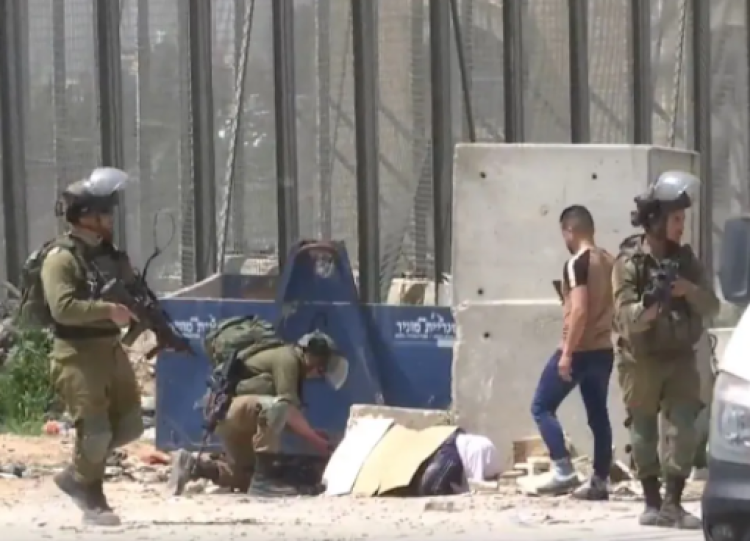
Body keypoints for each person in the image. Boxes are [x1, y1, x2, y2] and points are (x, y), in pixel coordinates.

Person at [30, 168, 144, 526]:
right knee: (95, 433)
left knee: (130, 426)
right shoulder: (60, 258)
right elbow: (62, 308)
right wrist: (108, 311)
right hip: (76, 355)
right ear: (85, 217)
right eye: (103, 213)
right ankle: (89, 494)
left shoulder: (108, 256)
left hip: (110, 350)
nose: (110, 219)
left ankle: (77, 474)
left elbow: (133, 296)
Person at [613, 171, 719, 529]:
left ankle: (673, 502)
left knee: (684, 428)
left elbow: (713, 306)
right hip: (640, 359)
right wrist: (650, 308)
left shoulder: (686, 261)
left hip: (679, 356)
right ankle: (652, 502)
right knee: (643, 429)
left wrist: (687, 290)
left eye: (683, 219)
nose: (681, 226)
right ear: (656, 220)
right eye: (676, 219)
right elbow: (624, 316)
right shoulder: (629, 262)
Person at [168, 331, 349, 497]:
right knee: (277, 407)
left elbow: (282, 417)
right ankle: (264, 482)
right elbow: (286, 408)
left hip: (232, 417)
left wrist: (312, 433)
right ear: (313, 355)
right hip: (233, 410)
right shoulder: (287, 358)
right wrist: (315, 440)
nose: (320, 371)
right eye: (321, 364)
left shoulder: (290, 362)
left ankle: (194, 467)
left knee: (242, 477)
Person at [531, 205, 615, 499]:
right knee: (598, 415)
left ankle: (563, 470)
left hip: (579, 349)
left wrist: (567, 353)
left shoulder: (576, 263)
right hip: (603, 350)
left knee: (541, 406)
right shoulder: (609, 261)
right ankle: (600, 480)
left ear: (570, 230)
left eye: (564, 234)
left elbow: (579, 310)